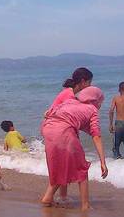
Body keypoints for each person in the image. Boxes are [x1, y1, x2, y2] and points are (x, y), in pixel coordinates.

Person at [41, 86, 108, 211]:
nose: (100, 105)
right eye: (100, 102)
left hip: (48, 128)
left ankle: (48, 197)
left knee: (62, 165)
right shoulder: (92, 110)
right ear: (95, 100)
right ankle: (85, 205)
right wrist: (103, 162)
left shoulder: (70, 102)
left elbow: (48, 113)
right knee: (82, 168)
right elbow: (96, 136)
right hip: (63, 131)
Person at [42, 67, 94, 204]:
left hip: (52, 131)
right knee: (67, 164)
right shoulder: (70, 96)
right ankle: (50, 197)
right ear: (83, 82)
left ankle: (62, 197)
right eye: (90, 82)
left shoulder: (69, 93)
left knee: (62, 163)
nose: (91, 86)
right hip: (58, 132)